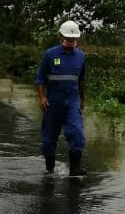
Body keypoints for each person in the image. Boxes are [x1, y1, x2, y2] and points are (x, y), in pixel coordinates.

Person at [35, 19, 87, 177]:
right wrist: (42, 97)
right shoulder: (50, 54)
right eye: (68, 38)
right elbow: (40, 78)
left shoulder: (81, 56)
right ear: (61, 37)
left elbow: (81, 81)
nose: (71, 41)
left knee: (76, 132)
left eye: (74, 39)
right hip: (53, 102)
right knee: (49, 138)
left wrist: (82, 100)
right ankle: (49, 169)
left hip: (72, 101)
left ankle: (75, 170)